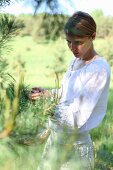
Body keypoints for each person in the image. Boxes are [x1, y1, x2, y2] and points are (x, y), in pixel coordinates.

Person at [29, 11, 111, 170]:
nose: (72, 48)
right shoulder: (75, 61)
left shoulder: (99, 70)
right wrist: (47, 94)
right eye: (68, 42)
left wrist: (47, 105)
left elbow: (76, 118)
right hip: (55, 143)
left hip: (74, 151)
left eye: (78, 42)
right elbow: (66, 95)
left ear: (93, 36)